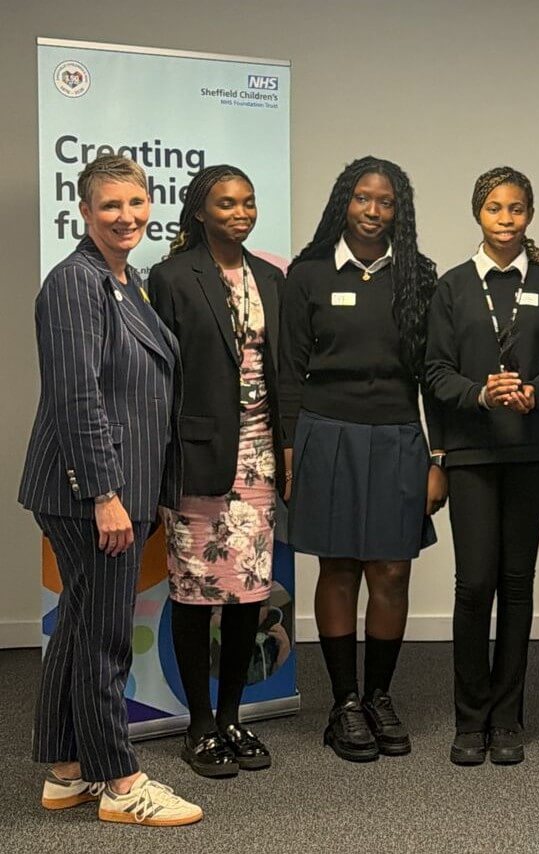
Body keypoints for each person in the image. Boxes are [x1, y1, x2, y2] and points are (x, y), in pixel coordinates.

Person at [18, 154, 202, 825]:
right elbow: (76, 397)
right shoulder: (75, 283)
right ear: (84, 213)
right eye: (110, 207)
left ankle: (68, 770)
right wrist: (104, 494)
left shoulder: (125, 281)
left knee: (77, 627)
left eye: (136, 203)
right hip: (87, 492)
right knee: (103, 638)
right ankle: (120, 783)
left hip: (114, 487)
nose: (126, 217)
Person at [279, 156, 445, 762]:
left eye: (386, 202)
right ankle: (344, 703)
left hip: (400, 436)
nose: (374, 211)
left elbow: (433, 374)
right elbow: (289, 371)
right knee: (340, 568)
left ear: (399, 210)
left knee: (392, 571)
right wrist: (291, 447)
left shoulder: (419, 277)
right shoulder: (309, 274)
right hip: (327, 434)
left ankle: (379, 695)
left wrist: (438, 456)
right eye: (362, 199)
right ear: (343, 202)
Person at [426, 166, 539, 766]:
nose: (506, 218)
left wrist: (535, 392)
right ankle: (470, 719)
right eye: (495, 208)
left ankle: (508, 718)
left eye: (517, 208)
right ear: (478, 215)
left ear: (530, 215)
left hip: (532, 449)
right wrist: (482, 395)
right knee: (474, 584)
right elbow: (434, 372)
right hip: (471, 452)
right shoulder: (453, 287)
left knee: (517, 585)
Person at [149, 164, 285, 778]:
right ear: (200, 211)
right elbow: (161, 382)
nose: (240, 211)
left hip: (258, 460)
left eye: (248, 202)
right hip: (199, 459)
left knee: (247, 594)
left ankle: (233, 717)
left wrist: (287, 449)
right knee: (196, 593)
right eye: (226, 203)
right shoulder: (173, 276)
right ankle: (199, 725)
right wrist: (160, 469)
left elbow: (284, 373)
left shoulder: (272, 278)